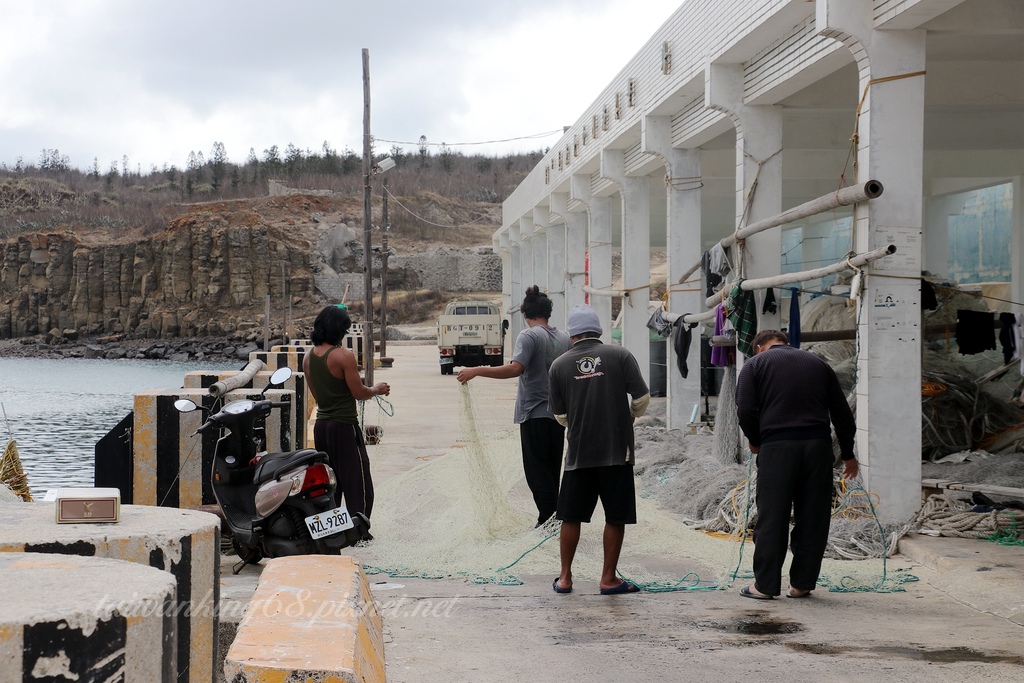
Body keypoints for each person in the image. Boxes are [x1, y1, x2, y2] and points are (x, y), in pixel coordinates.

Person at [734, 329, 858, 600]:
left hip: (778, 447)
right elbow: (842, 413)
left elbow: (744, 409)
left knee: (773, 517)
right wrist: (848, 454)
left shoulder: (754, 365)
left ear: (758, 347)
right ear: (784, 344)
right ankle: (802, 584)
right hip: (817, 447)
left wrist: (755, 440)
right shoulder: (818, 364)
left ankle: (765, 586)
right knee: (813, 517)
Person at [548, 304, 650, 595]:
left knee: (571, 516)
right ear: (599, 331)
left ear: (572, 336)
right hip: (617, 452)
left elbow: (560, 416)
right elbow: (642, 397)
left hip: (579, 454)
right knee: (615, 516)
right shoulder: (620, 355)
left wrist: (580, 422)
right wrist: (629, 415)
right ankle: (608, 579)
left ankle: (565, 578)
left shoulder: (559, 365)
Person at [458, 286, 570, 526]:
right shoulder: (563, 337)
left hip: (534, 413)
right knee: (552, 469)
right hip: (558, 416)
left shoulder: (528, 336)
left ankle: (549, 519)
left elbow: (515, 369)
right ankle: (554, 517)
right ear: (548, 313)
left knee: (536, 471)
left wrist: (476, 370)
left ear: (526, 314)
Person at [302, 304, 390, 538]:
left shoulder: (308, 358)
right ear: (338, 330)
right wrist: (377, 389)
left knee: (331, 481)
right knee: (357, 480)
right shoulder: (343, 356)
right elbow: (359, 393)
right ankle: (359, 531)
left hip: (322, 426)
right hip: (343, 426)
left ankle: (332, 529)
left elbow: (319, 396)